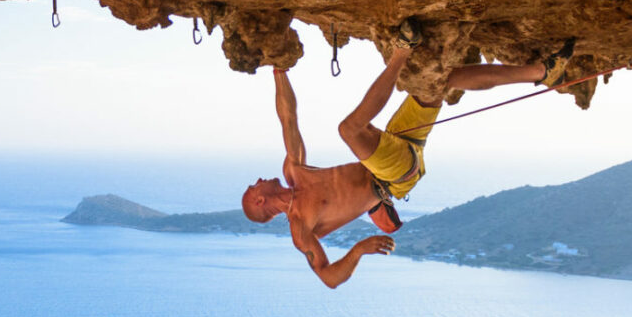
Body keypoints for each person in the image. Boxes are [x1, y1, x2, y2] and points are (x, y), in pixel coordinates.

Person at [241, 31, 570, 288]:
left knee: (438, 81)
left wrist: (279, 69)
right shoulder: (301, 227)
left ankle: (541, 72)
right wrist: (358, 250)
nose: (259, 179)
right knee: (349, 129)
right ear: (259, 200)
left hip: (395, 150)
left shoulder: (294, 171)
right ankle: (402, 52)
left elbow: (288, 120)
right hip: (393, 175)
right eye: (254, 185)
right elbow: (329, 278)